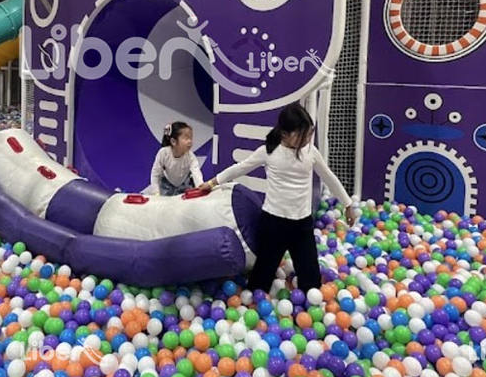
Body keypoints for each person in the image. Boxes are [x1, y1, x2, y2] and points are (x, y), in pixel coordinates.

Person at [199, 103, 355, 293]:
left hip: (302, 223)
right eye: (302, 135)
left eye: (309, 134)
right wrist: (212, 183)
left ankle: (306, 290)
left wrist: (348, 204)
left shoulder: (310, 152)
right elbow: (240, 168)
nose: (307, 139)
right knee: (260, 281)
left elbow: (329, 177)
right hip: (274, 222)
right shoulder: (269, 151)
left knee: (311, 282)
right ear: (284, 134)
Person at [147, 122, 204, 196]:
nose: (190, 141)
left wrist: (200, 187)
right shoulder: (163, 153)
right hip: (166, 185)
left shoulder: (190, 157)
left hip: (185, 185)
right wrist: (156, 193)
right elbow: (155, 174)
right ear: (173, 141)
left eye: (191, 138)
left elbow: (197, 173)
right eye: (186, 138)